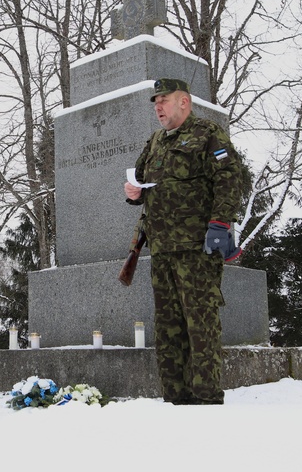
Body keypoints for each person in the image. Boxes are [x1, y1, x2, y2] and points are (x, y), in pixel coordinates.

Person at [123, 78, 244, 405]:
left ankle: (205, 400)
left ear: (184, 102)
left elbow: (230, 180)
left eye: (164, 100)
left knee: (200, 326)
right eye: (156, 101)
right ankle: (175, 399)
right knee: (168, 329)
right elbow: (138, 181)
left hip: (197, 249)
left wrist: (220, 223)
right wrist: (133, 193)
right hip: (161, 250)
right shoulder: (155, 142)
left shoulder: (208, 134)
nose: (158, 106)